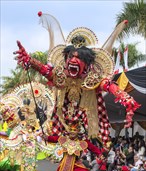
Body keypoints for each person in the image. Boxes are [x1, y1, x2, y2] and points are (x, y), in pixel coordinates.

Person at [14, 11, 140, 151]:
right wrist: (29, 60)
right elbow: (45, 70)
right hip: (63, 117)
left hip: (84, 118)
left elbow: (109, 85)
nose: (73, 60)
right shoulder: (61, 75)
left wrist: (126, 98)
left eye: (78, 58)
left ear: (86, 64)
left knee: (90, 143)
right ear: (66, 59)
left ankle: (100, 148)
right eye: (70, 57)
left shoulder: (92, 79)